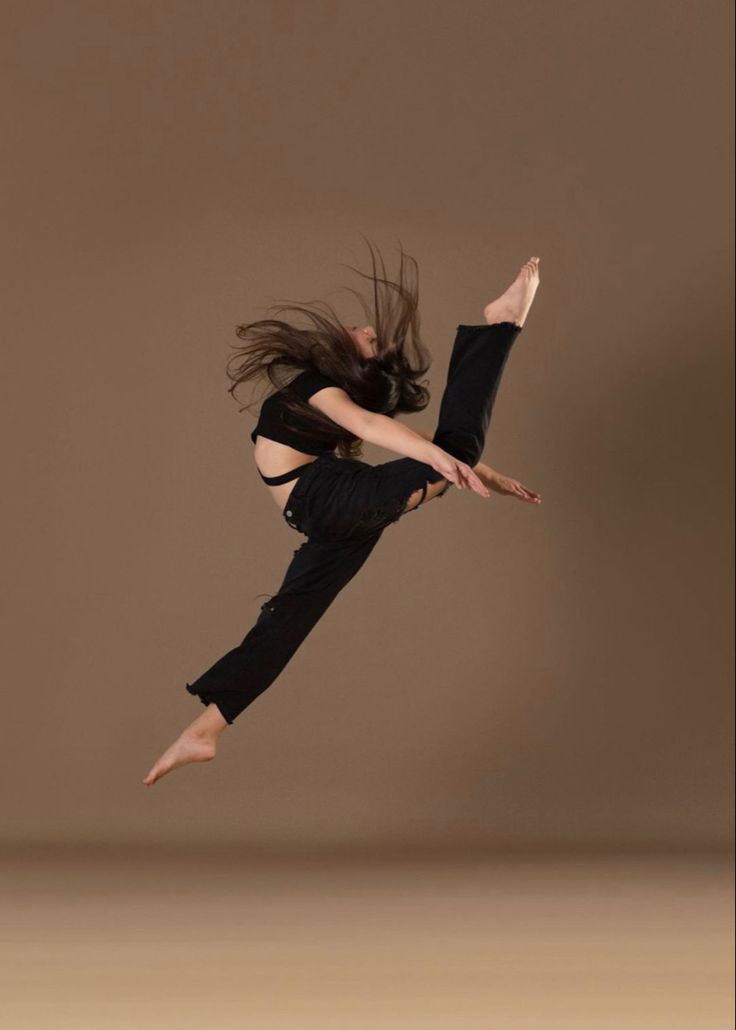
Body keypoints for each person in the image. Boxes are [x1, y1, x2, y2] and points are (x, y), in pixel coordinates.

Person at [143, 242, 541, 786]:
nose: (366, 330)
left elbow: (390, 432)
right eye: (371, 336)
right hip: (328, 511)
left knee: (451, 454)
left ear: (349, 365)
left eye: (370, 342)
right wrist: (458, 463)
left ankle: (499, 325)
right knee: (287, 620)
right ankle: (206, 728)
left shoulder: (320, 390)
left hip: (327, 505)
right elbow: (387, 432)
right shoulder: (318, 393)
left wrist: (478, 468)